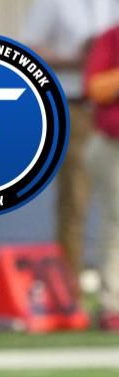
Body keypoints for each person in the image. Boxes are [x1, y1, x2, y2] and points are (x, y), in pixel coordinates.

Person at [23, 0, 119, 289]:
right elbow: (29, 48)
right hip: (74, 103)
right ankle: (68, 292)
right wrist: (80, 59)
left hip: (112, 111)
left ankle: (110, 292)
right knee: (75, 204)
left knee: (115, 212)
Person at [77, 13, 119, 329]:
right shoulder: (111, 38)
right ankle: (111, 305)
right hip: (112, 144)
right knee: (117, 222)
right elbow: (96, 88)